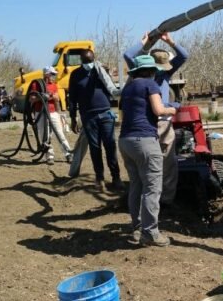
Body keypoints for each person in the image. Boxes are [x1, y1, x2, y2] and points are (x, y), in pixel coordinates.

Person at [124, 31, 189, 208]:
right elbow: (127, 55)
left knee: (165, 161)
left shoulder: (162, 74)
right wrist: (146, 43)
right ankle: (157, 199)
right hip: (153, 121)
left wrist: (170, 41)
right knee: (161, 162)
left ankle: (162, 199)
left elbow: (184, 55)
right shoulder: (152, 75)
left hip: (159, 122)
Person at [118, 55, 177, 247]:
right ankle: (150, 232)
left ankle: (137, 228)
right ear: (153, 71)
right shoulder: (151, 86)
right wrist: (173, 109)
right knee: (152, 187)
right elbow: (159, 110)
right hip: (144, 140)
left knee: (136, 185)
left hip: (125, 140)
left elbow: (126, 113)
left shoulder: (128, 88)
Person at [67, 49, 122, 192]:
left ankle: (116, 177)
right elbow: (72, 98)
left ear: (94, 59)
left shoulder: (100, 71)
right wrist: (73, 118)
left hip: (105, 113)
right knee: (95, 148)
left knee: (110, 146)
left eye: (90, 61)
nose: (88, 64)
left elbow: (110, 86)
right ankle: (100, 178)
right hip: (88, 116)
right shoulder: (75, 75)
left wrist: (104, 71)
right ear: (81, 61)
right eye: (86, 62)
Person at [28, 67, 73, 164]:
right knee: (45, 136)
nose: (54, 76)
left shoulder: (54, 85)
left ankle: (68, 153)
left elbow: (57, 98)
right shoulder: (36, 84)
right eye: (52, 74)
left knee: (60, 134)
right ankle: (49, 156)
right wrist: (42, 97)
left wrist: (59, 112)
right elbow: (31, 98)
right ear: (46, 74)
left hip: (53, 113)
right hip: (40, 113)